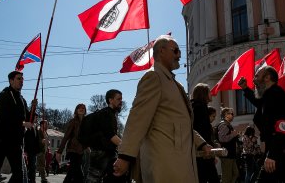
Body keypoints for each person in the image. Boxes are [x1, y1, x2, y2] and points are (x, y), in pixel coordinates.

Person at [113, 35, 211, 182]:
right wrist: (125, 156)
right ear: (161, 51)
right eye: (176, 51)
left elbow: (182, 123)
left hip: (180, 161)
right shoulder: (153, 77)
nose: (180, 55)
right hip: (164, 164)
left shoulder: (174, 84)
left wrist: (202, 144)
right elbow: (138, 119)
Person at [238, 65, 285, 183]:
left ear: (267, 78)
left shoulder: (276, 95)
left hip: (283, 152)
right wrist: (245, 89)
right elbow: (259, 103)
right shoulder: (269, 95)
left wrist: (272, 154)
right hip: (279, 151)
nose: (253, 80)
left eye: (256, 76)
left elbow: (282, 127)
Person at [0, 70, 37, 183]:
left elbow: (29, 119)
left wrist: (33, 108)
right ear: (11, 80)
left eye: (22, 79)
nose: (21, 81)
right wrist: (22, 123)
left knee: (19, 174)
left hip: (16, 141)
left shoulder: (22, 100)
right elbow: (4, 117)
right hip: (2, 139)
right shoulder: (3, 96)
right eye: (19, 79)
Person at [84, 89, 125, 183]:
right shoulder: (106, 114)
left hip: (106, 152)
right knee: (94, 179)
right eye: (118, 99)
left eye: (121, 99)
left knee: (112, 177)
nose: (121, 102)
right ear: (110, 100)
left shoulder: (110, 114)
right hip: (101, 153)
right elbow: (110, 135)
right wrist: (125, 147)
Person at [191, 83, 219, 183]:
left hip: (199, 151)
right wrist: (210, 152)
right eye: (209, 92)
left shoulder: (194, 107)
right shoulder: (201, 108)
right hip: (204, 152)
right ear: (203, 94)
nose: (211, 94)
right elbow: (202, 131)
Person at [57, 103, 87, 183]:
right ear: (76, 110)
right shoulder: (73, 121)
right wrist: (59, 151)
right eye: (79, 108)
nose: (81, 109)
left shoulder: (86, 122)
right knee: (78, 173)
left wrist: (88, 146)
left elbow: (87, 137)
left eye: (83, 108)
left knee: (72, 172)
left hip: (81, 151)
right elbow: (66, 137)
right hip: (73, 149)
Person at [217, 107, 241, 183]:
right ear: (225, 115)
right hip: (227, 155)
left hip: (231, 155)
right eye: (231, 113)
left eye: (233, 114)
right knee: (226, 177)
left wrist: (235, 136)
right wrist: (233, 135)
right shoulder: (223, 125)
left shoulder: (228, 125)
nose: (232, 115)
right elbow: (222, 139)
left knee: (235, 173)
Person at [24, 113, 40, 183]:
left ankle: (32, 180)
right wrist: (26, 150)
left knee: (32, 167)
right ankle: (31, 180)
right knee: (31, 167)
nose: (36, 119)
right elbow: (27, 139)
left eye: (37, 117)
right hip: (30, 150)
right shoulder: (29, 127)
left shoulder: (35, 127)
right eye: (35, 117)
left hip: (34, 151)